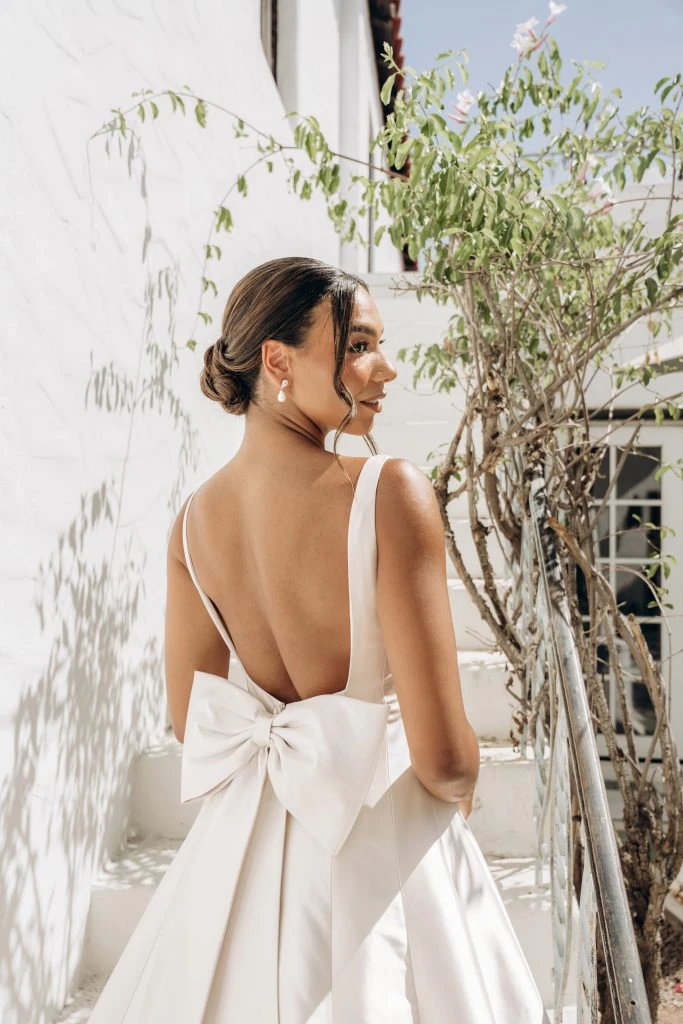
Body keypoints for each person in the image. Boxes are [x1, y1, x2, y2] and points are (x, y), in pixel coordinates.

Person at [88, 256, 550, 1022]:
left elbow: (189, 720)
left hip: (241, 854)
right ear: (278, 360)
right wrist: (460, 788)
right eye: (359, 345)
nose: (385, 369)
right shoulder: (387, 491)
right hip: (383, 831)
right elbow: (442, 756)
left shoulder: (192, 523)